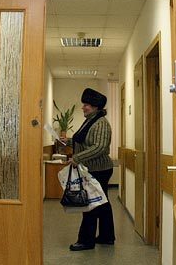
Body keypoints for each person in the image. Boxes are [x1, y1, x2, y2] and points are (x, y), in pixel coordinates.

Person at [68, 88, 115, 251]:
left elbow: (100, 147)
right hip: (92, 169)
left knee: (91, 205)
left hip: (99, 170)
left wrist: (77, 158)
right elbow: (83, 141)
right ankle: (107, 237)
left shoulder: (101, 123)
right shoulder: (90, 120)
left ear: (96, 106)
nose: (83, 107)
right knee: (102, 204)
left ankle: (86, 241)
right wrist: (68, 142)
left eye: (86, 105)